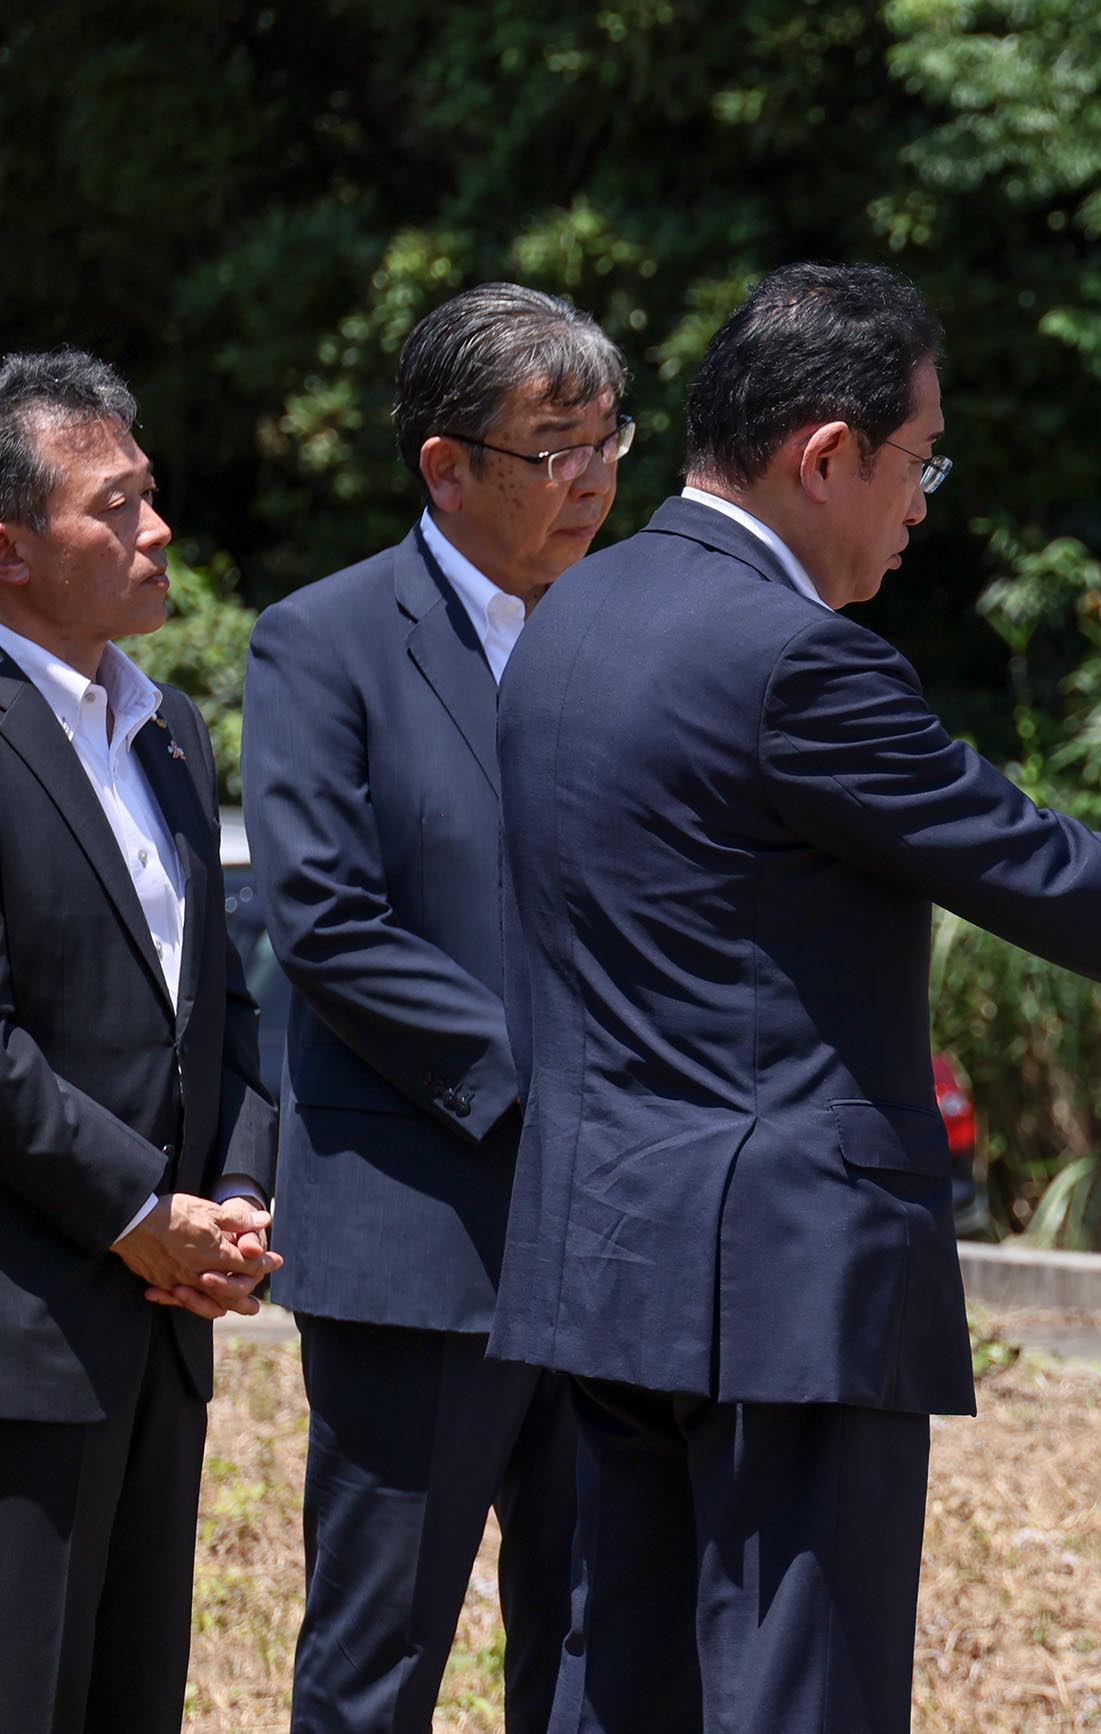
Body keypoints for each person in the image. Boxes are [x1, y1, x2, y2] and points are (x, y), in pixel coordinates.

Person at [486, 261, 1101, 1730]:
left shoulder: (566, 615)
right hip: (784, 1281)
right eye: (916, 461)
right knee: (794, 1686)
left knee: (618, 1680)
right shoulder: (795, 661)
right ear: (825, 454)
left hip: (601, 1251)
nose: (923, 502)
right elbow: (1030, 863)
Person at [242, 283, 627, 1732]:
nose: (590, 478)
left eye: (608, 440)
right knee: (380, 1648)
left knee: (602, 1639)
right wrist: (544, 1088)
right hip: (421, 1231)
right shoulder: (322, 639)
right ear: (445, 466)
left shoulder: (630, 632)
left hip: (608, 1240)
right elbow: (330, 919)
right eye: (554, 448)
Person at [0, 347, 280, 1732]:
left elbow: (220, 1001)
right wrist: (131, 1208)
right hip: (25, 1324)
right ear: (11, 551)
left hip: (164, 1323)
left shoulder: (169, 727)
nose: (155, 529)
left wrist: (232, 1194)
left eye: (149, 492)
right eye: (113, 506)